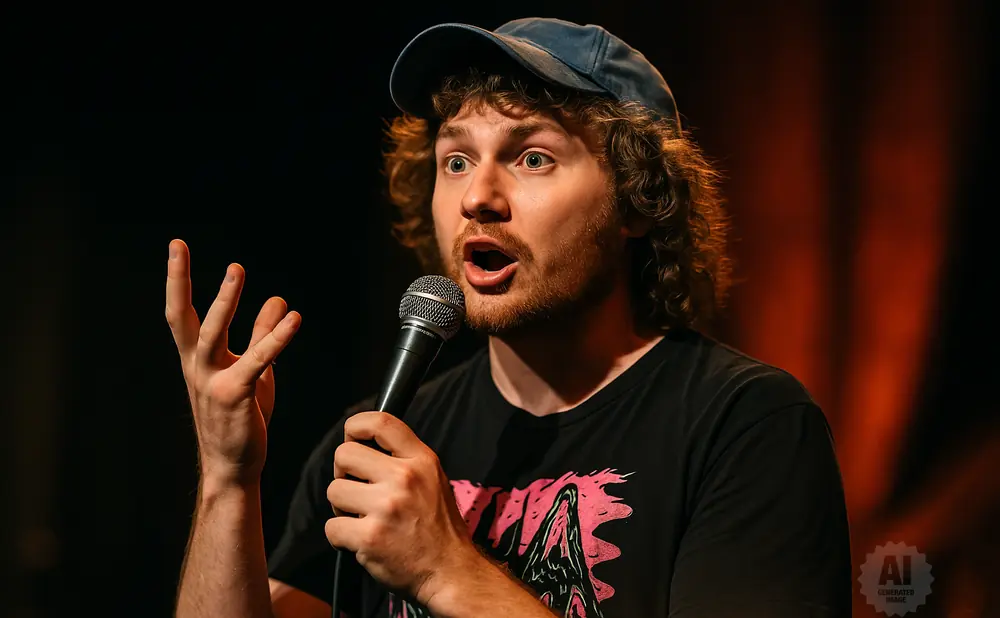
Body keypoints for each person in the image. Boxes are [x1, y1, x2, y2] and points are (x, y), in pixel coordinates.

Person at [168, 16, 852, 618]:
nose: (479, 196)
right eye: (456, 160)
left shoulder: (745, 425)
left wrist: (447, 571)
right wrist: (228, 482)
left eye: (532, 157)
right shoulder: (379, 439)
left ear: (640, 201)